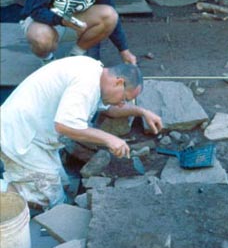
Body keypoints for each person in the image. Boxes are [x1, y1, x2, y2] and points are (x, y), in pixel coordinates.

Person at [0, 57, 162, 209]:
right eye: (124, 99)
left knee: (63, 185)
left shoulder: (95, 74)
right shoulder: (87, 83)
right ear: (119, 82)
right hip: (21, 137)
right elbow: (64, 125)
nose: (122, 104)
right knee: (48, 198)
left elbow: (111, 110)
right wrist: (109, 139)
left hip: (35, 135)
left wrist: (142, 112)